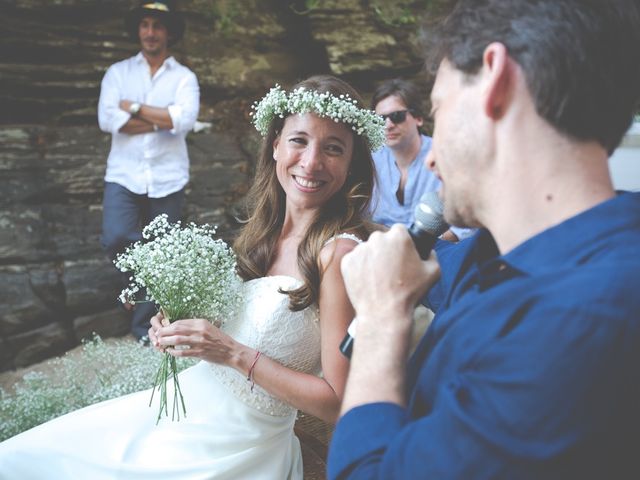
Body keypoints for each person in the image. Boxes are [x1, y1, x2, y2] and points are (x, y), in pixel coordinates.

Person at [0, 75, 383, 479]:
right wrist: (182, 330)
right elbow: (247, 331)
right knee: (24, 457)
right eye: (299, 140)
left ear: (352, 164)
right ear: (274, 146)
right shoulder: (262, 234)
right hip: (185, 411)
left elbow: (339, 402)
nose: (310, 162)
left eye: (333, 148)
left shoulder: (338, 255)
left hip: (237, 446)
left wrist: (229, 351)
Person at [328, 1, 640, 479]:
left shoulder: (581, 320)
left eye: (438, 108)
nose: (432, 161)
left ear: (495, 81)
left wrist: (379, 322)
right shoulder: (495, 254)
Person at [98, 0, 200, 342]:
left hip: (168, 177)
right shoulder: (118, 73)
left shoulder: (184, 77)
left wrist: (135, 108)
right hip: (123, 175)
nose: (151, 32)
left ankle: (145, 330)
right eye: (145, 25)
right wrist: (163, 119)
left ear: (169, 32)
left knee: (163, 253)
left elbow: (184, 120)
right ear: (138, 30)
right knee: (116, 236)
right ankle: (135, 288)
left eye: (157, 26)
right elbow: (108, 121)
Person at [370, 78, 472, 241]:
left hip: (439, 250)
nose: (388, 125)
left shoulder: (444, 156)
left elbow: (464, 226)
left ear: (418, 118)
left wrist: (419, 245)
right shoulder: (371, 162)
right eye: (380, 119)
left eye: (397, 116)